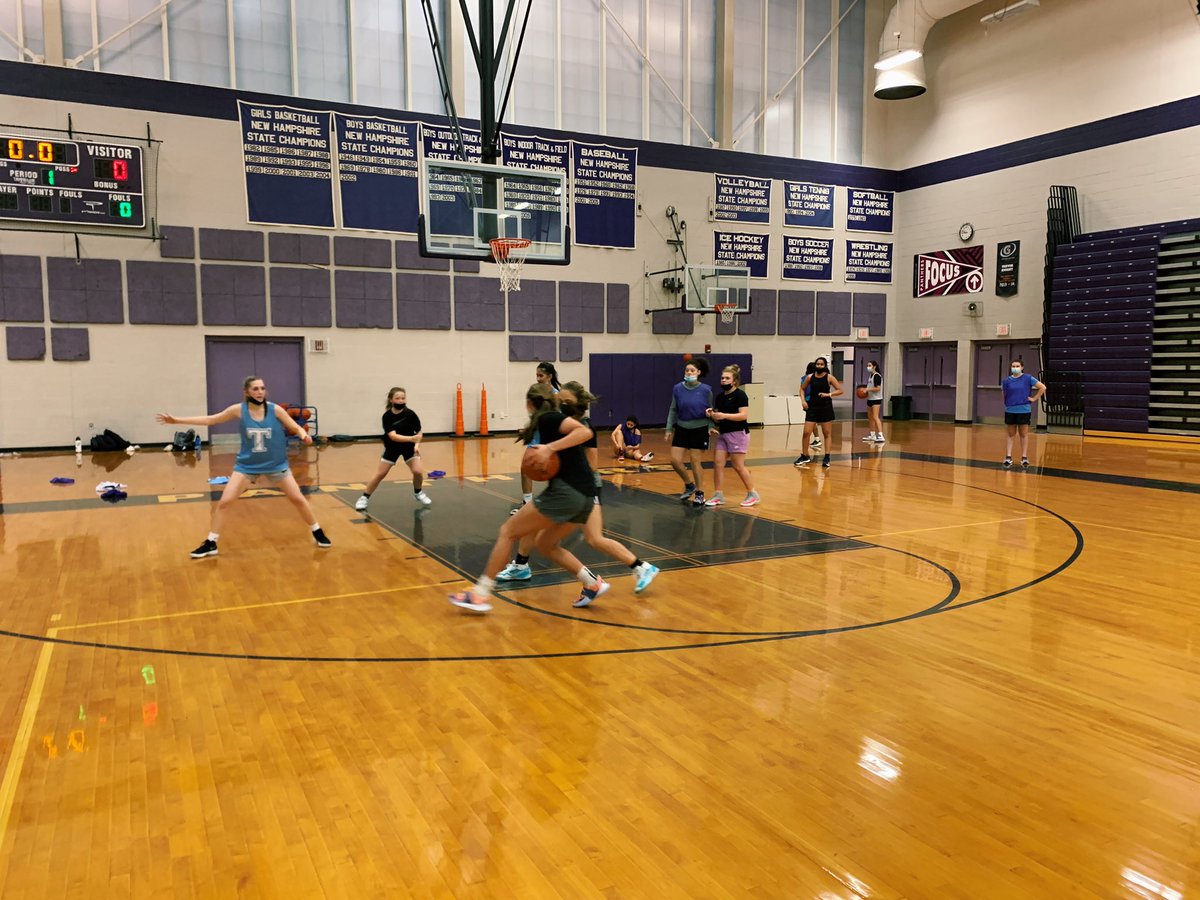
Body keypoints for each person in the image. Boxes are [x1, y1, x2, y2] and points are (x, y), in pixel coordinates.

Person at [451, 384, 646, 613]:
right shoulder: (549, 420)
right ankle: (592, 583)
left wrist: (549, 449)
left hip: (568, 492)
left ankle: (480, 594)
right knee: (546, 543)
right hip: (586, 496)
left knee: (508, 532)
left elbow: (585, 432)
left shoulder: (550, 419)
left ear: (529, 404)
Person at [497, 382, 660, 595]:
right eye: (559, 400)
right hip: (571, 488)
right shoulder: (562, 423)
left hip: (585, 488)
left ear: (576, 404)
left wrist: (558, 462)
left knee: (588, 538)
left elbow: (592, 465)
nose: (560, 404)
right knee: (577, 536)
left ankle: (522, 566)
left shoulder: (585, 428)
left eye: (565, 401)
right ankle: (641, 567)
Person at [155, 375, 330, 557]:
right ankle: (211, 542)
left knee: (298, 499)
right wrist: (176, 421)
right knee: (224, 503)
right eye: (255, 389)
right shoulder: (238, 410)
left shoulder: (275, 409)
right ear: (246, 392)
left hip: (276, 465)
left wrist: (304, 435)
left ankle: (317, 531)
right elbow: (211, 419)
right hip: (247, 466)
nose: (260, 392)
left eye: (262, 388)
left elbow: (296, 427)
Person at [354, 386, 430, 512]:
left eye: (403, 398)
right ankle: (364, 498)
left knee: (417, 471)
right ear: (391, 400)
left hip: (409, 448)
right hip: (392, 448)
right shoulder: (387, 416)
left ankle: (418, 492)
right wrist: (412, 439)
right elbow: (393, 436)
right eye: (397, 398)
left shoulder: (411, 414)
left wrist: (416, 445)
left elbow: (419, 432)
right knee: (380, 474)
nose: (401, 401)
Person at [705, 364, 760, 507]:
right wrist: (712, 415)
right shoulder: (720, 397)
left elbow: (743, 416)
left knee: (738, 466)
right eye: (722, 378)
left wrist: (724, 415)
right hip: (723, 434)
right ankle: (718, 495)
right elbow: (718, 418)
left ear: (734, 381)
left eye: (727, 378)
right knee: (718, 464)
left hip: (738, 434)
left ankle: (752, 493)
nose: (723, 380)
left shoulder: (740, 395)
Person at [513, 361, 561, 514]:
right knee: (525, 468)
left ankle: (556, 501)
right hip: (537, 434)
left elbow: (556, 417)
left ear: (549, 376)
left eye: (541, 375)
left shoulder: (554, 394)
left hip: (549, 436)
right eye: (537, 375)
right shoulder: (536, 393)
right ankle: (527, 503)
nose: (538, 378)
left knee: (554, 470)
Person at [665, 357, 715, 507]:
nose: (689, 372)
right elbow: (673, 409)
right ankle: (689, 484)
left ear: (698, 372)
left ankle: (700, 493)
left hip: (699, 428)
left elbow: (710, 410)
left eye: (692, 370)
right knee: (674, 460)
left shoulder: (706, 390)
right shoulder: (677, 388)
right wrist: (668, 428)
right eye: (687, 370)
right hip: (681, 427)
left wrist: (711, 425)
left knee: (695, 461)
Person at [796, 356, 843, 469]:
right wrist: (803, 401)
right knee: (806, 433)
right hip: (812, 407)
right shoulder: (810, 377)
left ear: (825, 366)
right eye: (818, 364)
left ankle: (827, 457)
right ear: (815, 365)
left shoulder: (829, 378)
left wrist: (828, 394)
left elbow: (840, 390)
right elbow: (802, 389)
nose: (819, 366)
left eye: (822, 364)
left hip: (825, 407)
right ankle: (805, 455)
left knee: (827, 433)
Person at [1002, 359, 1046, 468]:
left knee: (1024, 434)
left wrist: (1034, 398)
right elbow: (1004, 395)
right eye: (1013, 366)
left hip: (1024, 410)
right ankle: (1008, 456)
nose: (1015, 368)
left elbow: (1042, 387)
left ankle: (1024, 457)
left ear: (1022, 367)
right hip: (1010, 410)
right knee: (1011, 434)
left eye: (1017, 366)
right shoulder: (1006, 381)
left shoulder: (1028, 378)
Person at [793, 361, 821, 465]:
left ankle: (817, 440)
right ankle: (816, 440)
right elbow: (803, 390)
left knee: (812, 424)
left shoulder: (806, 378)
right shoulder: (808, 378)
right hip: (810, 402)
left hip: (811, 403)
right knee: (811, 424)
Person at [862, 360, 885, 444]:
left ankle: (881, 435)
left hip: (876, 399)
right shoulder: (870, 376)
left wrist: (867, 389)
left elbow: (878, 388)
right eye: (867, 365)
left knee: (875, 417)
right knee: (870, 417)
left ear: (874, 366)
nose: (868, 367)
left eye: (869, 365)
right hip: (870, 399)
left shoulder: (877, 376)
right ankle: (872, 435)